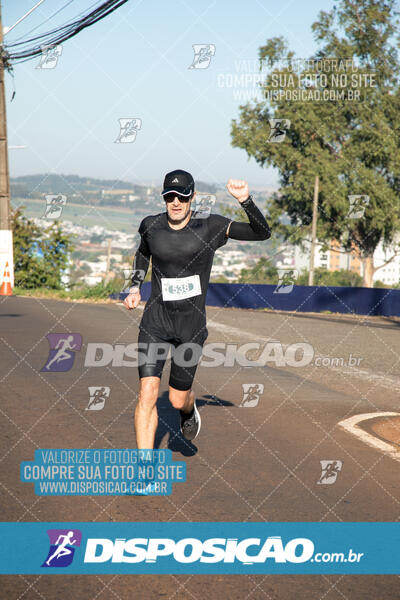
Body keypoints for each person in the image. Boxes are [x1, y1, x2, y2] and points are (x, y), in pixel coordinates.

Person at [123, 169, 271, 449]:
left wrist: (245, 200)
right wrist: (134, 286)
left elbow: (262, 233)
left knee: (178, 398)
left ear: (193, 197)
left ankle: (188, 411)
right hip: (155, 322)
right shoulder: (151, 225)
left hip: (190, 328)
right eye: (170, 196)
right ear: (164, 198)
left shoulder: (210, 227)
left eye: (182, 196)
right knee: (147, 392)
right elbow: (143, 253)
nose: (176, 202)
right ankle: (145, 466)